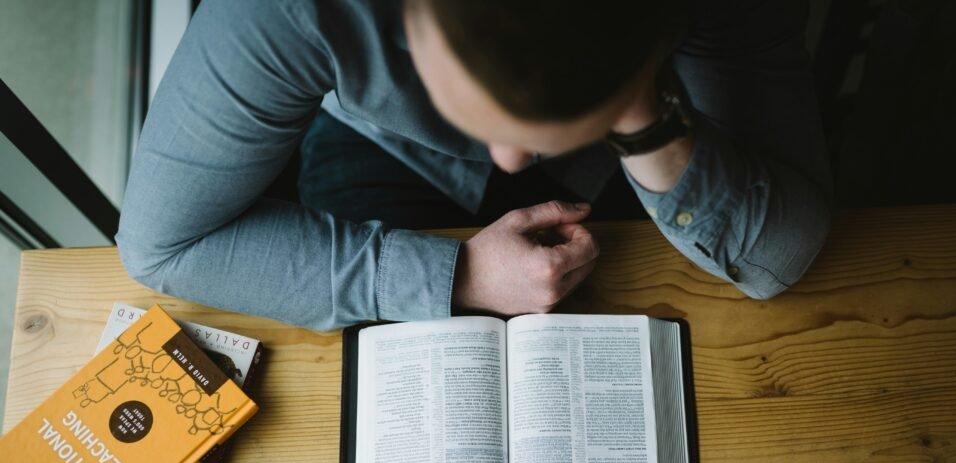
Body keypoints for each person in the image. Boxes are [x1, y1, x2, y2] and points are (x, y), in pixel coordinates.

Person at [116, 0, 831, 330]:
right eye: (489, 117)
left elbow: (779, 257)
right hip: (384, 147)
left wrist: (644, 112)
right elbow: (162, 244)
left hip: (636, 131)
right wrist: (454, 275)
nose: (518, 160)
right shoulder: (278, 12)